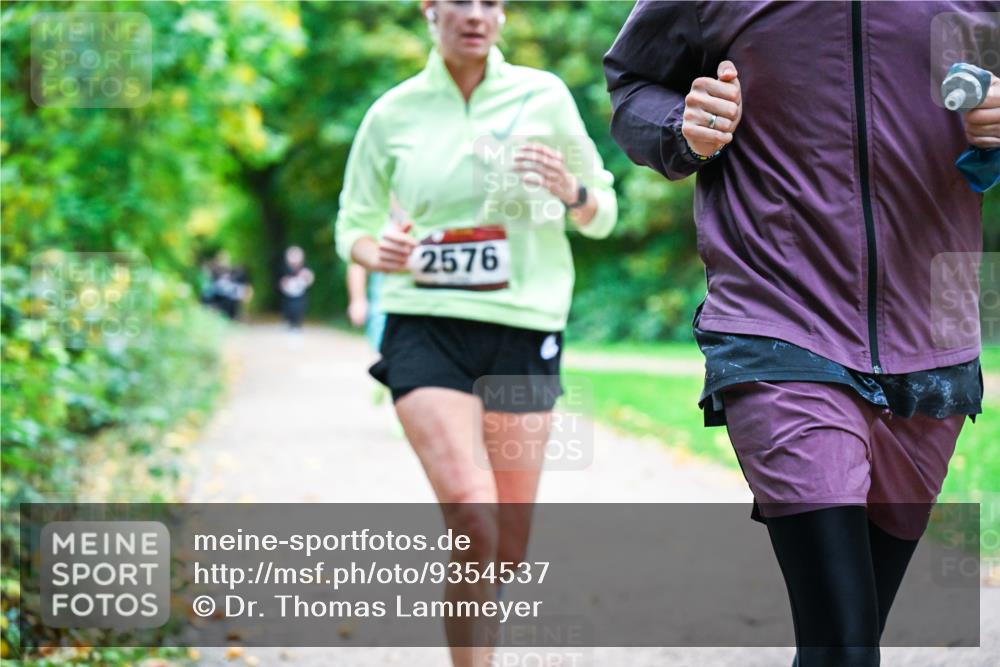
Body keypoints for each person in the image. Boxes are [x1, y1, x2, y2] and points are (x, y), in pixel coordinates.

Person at [605, 3, 997, 665]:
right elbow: (633, 84)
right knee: (844, 644)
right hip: (777, 316)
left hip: (933, 335)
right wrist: (682, 126)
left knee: (843, 641)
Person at [335, 1, 617, 664]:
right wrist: (379, 252)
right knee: (472, 513)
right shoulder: (392, 113)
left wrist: (573, 192)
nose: (475, 14)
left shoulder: (543, 97)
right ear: (429, 10)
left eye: (490, 2)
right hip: (425, 325)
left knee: (506, 545)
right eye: (459, 0)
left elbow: (604, 212)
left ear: (503, 15)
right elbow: (352, 225)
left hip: (523, 327)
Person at [279, 245, 315, 330]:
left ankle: (297, 323)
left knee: (300, 308)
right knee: (289, 308)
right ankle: (290, 322)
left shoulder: (305, 267)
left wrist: (306, 278)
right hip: (288, 295)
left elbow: (310, 279)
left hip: (301, 294)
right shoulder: (285, 268)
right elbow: (281, 282)